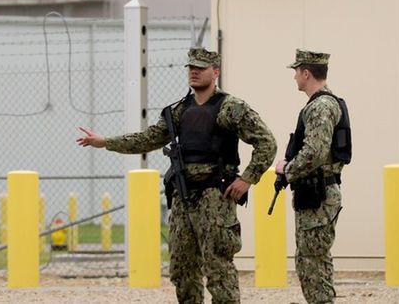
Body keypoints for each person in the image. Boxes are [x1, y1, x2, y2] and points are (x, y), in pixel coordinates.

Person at [77, 47, 276, 304]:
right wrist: (105, 142)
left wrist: (248, 178)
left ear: (215, 72)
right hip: (183, 198)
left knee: (218, 268)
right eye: (191, 67)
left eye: (201, 68)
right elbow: (148, 138)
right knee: (182, 269)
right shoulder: (179, 111)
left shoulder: (231, 108)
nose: (194, 72)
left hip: (215, 197)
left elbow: (266, 142)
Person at [275, 49, 351, 304]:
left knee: (311, 263)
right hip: (316, 194)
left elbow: (315, 153)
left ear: (306, 73)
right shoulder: (326, 103)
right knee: (315, 259)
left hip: (318, 196)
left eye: (296, 71)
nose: (295, 77)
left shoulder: (320, 107)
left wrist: (287, 169)